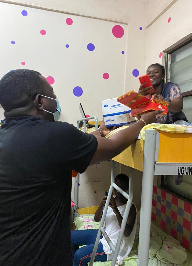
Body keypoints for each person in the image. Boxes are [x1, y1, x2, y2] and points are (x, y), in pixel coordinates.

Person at [0, 69, 162, 266]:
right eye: (52, 94)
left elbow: (79, 143)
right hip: (41, 257)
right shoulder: (57, 135)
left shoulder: (5, 137)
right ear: (40, 101)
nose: (55, 100)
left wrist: (100, 132)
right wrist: (144, 120)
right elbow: (113, 147)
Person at [71, 174, 137, 265]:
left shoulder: (130, 207)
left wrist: (116, 211)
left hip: (114, 245)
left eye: (120, 187)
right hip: (104, 234)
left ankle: (77, 261)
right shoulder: (112, 199)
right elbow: (96, 219)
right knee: (70, 236)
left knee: (79, 255)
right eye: (116, 187)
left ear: (126, 188)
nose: (116, 190)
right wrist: (101, 205)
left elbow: (127, 232)